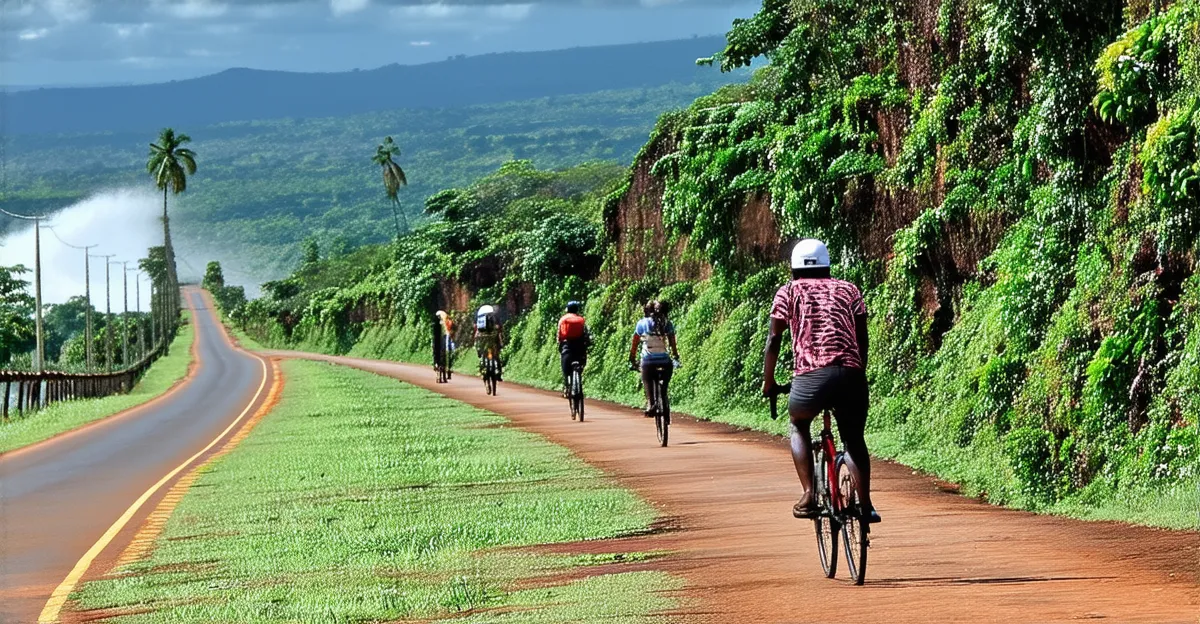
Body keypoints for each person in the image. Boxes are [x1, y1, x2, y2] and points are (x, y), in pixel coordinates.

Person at [763, 239, 879, 523]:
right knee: (854, 440)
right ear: (827, 266)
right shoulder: (849, 289)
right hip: (851, 375)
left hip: (810, 378)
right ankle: (865, 506)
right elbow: (862, 336)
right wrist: (857, 369)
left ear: (793, 268)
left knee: (799, 423)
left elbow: (774, 339)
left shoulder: (788, 291)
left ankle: (808, 494)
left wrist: (769, 382)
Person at [629, 300, 680, 416]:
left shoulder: (642, 323)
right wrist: (675, 356)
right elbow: (672, 343)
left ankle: (651, 403)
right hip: (665, 361)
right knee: (665, 382)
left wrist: (632, 358)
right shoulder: (668, 323)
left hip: (648, 361)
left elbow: (635, 343)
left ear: (646, 311)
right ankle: (663, 394)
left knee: (646, 378)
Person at [557, 301, 592, 396]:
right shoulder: (581, 320)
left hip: (567, 346)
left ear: (567, 310)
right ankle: (578, 379)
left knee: (565, 367)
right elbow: (587, 334)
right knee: (580, 365)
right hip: (580, 347)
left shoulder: (562, 319)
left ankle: (567, 386)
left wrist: (560, 347)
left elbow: (559, 336)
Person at [474, 304, 503, 380]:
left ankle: (482, 369)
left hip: (483, 341)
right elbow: (499, 330)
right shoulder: (495, 318)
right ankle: (498, 373)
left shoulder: (480, 319)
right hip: (492, 340)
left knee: (483, 355)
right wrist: (500, 343)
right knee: (496, 356)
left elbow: (476, 332)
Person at [433, 310, 454, 381]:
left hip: (439, 341)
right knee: (445, 355)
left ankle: (437, 368)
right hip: (443, 340)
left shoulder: (436, 323)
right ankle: (446, 371)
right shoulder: (446, 322)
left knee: (436, 355)